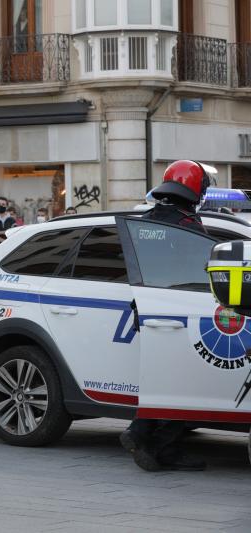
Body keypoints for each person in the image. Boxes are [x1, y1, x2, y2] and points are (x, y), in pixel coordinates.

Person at [120, 159, 211, 472]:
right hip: (180, 309)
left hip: (146, 310)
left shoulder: (146, 221)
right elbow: (202, 269)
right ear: (195, 188)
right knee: (185, 383)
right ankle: (163, 446)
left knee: (158, 379)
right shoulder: (187, 227)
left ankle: (139, 433)